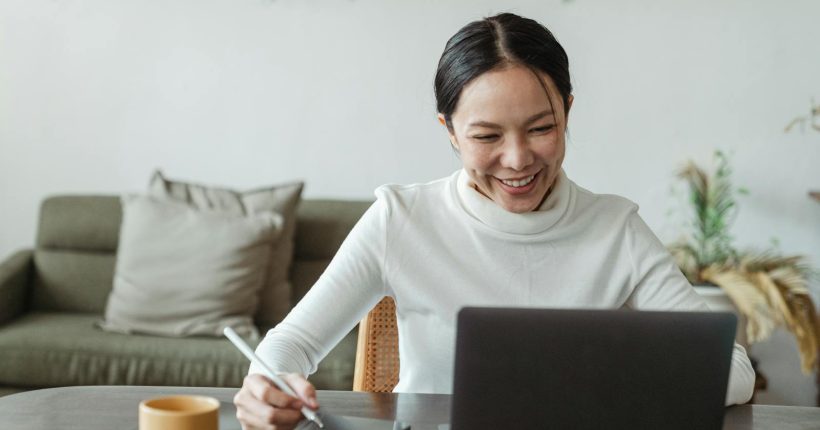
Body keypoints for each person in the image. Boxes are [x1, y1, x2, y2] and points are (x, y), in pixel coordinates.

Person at [233, 12, 755, 430]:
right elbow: (290, 344)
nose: (517, 159)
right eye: (486, 137)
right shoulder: (401, 219)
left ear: (568, 113)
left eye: (542, 128)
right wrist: (267, 386)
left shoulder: (615, 229)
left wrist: (611, 383)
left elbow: (732, 370)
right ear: (450, 131)